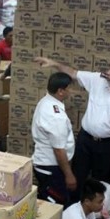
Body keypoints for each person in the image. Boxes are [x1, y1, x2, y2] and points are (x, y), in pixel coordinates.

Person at [35, 57, 110, 193]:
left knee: (102, 183)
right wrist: (54, 63)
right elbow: (73, 73)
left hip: (108, 146)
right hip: (85, 141)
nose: (108, 72)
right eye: (109, 68)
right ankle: (74, 208)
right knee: (77, 178)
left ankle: (97, 213)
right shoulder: (97, 80)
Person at [32, 72, 76, 206]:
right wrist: (69, 175)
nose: (72, 91)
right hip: (50, 166)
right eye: (69, 88)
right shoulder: (56, 116)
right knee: (56, 204)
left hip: (46, 164)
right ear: (61, 91)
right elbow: (58, 149)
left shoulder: (46, 101)